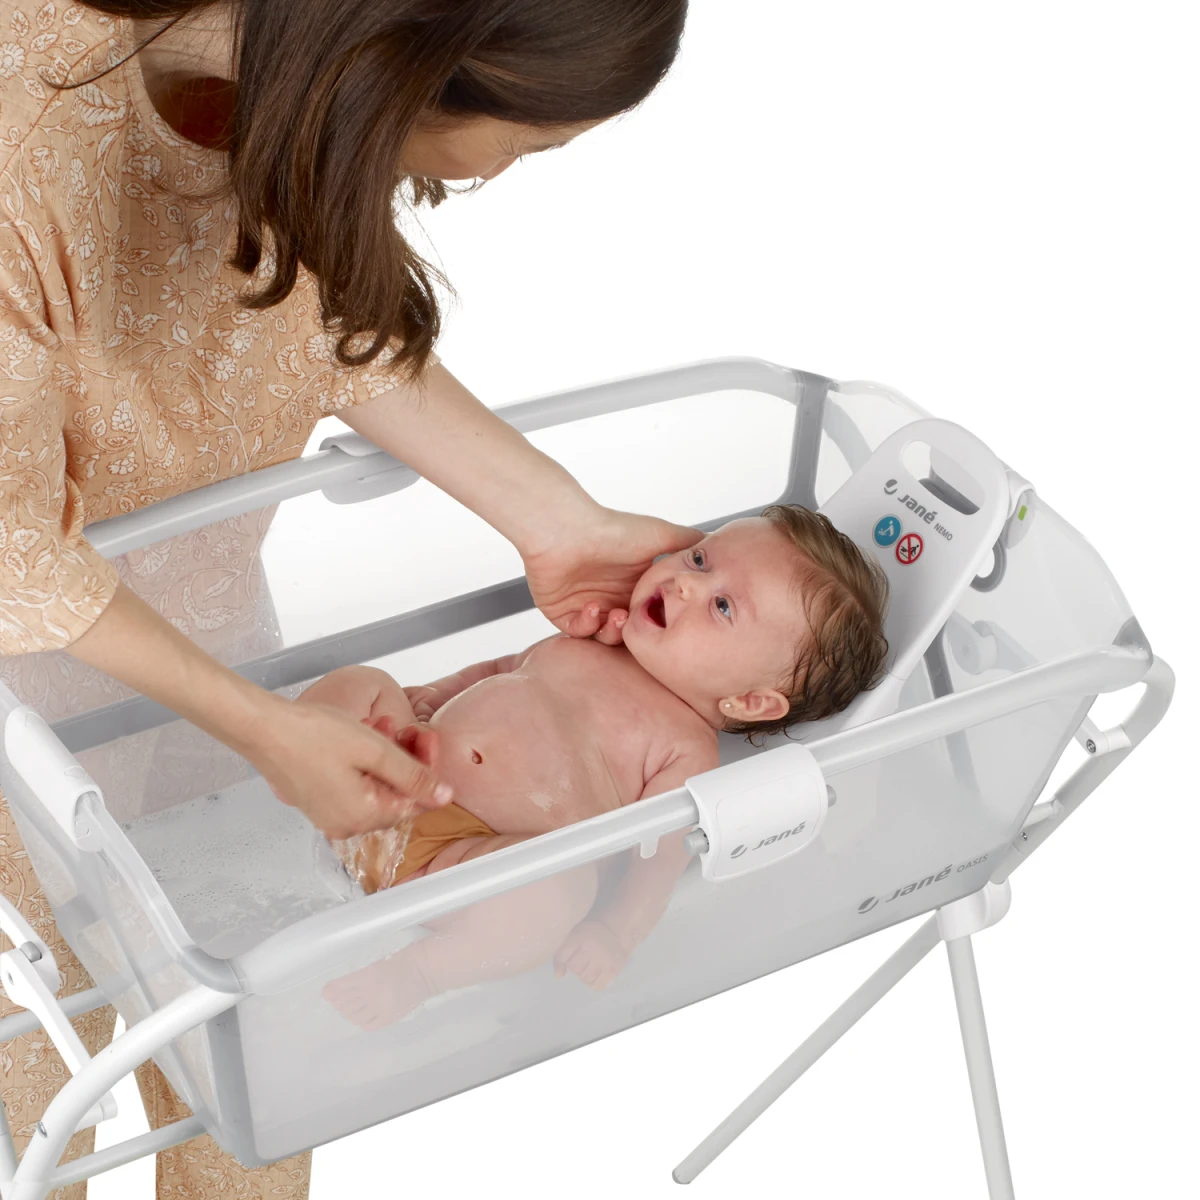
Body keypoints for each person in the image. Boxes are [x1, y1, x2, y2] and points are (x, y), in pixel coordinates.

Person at [0, 2, 691, 1196]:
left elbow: (316, 325)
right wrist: (264, 730)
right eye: (529, 146)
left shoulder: (298, 91)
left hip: (210, 634)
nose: (501, 176)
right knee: (43, 1057)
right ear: (422, 60)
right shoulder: (29, 145)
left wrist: (559, 523)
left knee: (249, 1036)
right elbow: (10, 548)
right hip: (26, 713)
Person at [299, 507, 889, 1031]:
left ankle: (419, 974)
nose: (685, 582)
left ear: (750, 701)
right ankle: (294, 747)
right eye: (700, 558)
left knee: (558, 896)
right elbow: (502, 669)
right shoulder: (592, 635)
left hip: (460, 863)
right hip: (392, 776)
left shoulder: (685, 749)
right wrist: (430, 696)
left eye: (723, 606)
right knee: (364, 684)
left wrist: (617, 931)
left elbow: (658, 861)